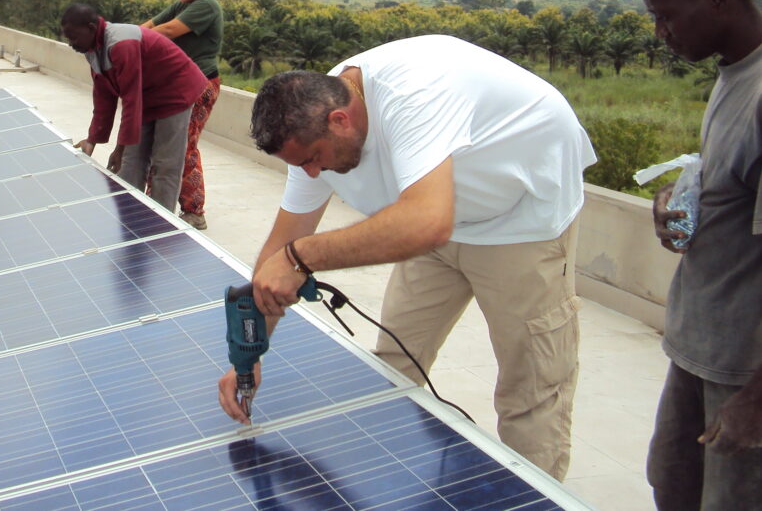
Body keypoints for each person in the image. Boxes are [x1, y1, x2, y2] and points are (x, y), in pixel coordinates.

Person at [215, 35, 596, 481]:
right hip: (431, 222)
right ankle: (391, 483)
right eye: (301, 165)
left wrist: (302, 258)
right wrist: (250, 353)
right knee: (395, 363)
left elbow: (422, 224)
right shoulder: (311, 123)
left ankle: (534, 496)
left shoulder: (416, 96)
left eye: (314, 160)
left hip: (519, 222)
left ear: (340, 120)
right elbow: (282, 245)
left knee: (529, 388)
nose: (312, 174)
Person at [639, 0, 762, 508]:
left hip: (744, 373)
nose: (660, 32)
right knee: (673, 484)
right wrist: (681, 207)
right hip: (700, 350)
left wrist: (757, 400)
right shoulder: (731, 73)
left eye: (667, 15)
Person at [60, 3, 208, 212]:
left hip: (175, 91)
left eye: (74, 37)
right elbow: (103, 97)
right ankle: (131, 216)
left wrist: (120, 147)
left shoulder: (121, 43)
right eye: (67, 38)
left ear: (92, 28)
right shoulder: (91, 49)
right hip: (146, 93)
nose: (71, 43)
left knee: (165, 163)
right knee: (131, 162)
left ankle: (161, 224)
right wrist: (92, 140)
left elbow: (131, 100)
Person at [141, 0, 224, 230]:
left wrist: (134, 41)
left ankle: (194, 210)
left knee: (185, 146)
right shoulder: (182, 4)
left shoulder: (206, 5)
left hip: (200, 83)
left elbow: (168, 30)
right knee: (163, 143)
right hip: (176, 83)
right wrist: (130, 37)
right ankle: (156, 201)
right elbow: (151, 25)